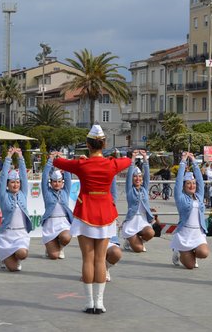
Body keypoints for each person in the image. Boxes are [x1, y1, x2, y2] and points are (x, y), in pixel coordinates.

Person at [53, 124, 130, 314]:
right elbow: (127, 161)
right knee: (100, 260)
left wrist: (77, 159)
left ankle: (89, 303)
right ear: (104, 144)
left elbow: (58, 163)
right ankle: (100, 303)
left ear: (88, 144)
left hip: (86, 211)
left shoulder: (82, 164)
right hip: (105, 213)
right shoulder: (112, 164)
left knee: (87, 259)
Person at [171, 152, 210, 269]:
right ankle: (178, 251)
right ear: (184, 186)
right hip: (184, 234)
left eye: (193, 183)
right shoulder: (180, 197)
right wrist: (183, 161)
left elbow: (200, 180)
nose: (192, 185)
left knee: (204, 253)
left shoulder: (199, 195)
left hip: (198, 233)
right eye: (188, 183)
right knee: (190, 266)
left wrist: (194, 161)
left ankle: (192, 253)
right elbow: (178, 181)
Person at [0, 147, 32, 272]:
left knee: (22, 254)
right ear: (7, 184)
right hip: (7, 235)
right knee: (13, 268)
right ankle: (4, 257)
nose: (15, 184)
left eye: (17, 182)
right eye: (12, 182)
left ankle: (14, 255)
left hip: (21, 234)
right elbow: (2, 178)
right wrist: (8, 158)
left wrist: (21, 157)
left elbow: (24, 176)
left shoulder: (23, 193)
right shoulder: (3, 195)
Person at [122, 150, 155, 253]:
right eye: (135, 176)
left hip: (143, 221)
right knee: (138, 250)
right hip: (132, 222)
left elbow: (147, 175)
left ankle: (138, 240)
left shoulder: (144, 188)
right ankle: (130, 240)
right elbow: (129, 175)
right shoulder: (129, 190)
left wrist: (145, 158)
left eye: (140, 177)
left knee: (150, 233)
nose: (138, 178)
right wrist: (133, 158)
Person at [41, 152, 72, 260]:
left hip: (63, 223)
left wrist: (63, 160)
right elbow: (44, 176)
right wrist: (50, 159)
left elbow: (68, 176)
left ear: (62, 183)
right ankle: (50, 247)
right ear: (51, 182)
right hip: (50, 224)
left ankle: (61, 246)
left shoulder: (65, 191)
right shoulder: (47, 192)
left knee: (66, 237)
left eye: (59, 181)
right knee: (54, 256)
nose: (57, 184)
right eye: (54, 182)